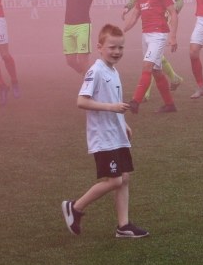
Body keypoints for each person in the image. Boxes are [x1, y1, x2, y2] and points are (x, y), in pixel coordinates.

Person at [61, 23, 149, 239]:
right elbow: (81, 101)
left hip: (115, 134)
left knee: (124, 178)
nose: (117, 52)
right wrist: (112, 109)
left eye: (120, 48)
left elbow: (113, 100)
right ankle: (75, 207)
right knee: (114, 180)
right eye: (112, 47)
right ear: (99, 47)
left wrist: (123, 123)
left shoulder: (112, 70)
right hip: (103, 137)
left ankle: (123, 226)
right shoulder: (96, 71)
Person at [122, 0, 184, 94]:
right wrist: (127, 7)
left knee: (149, 62)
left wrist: (171, 13)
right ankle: (173, 79)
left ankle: (145, 92)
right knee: (154, 61)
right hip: (147, 24)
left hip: (161, 23)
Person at [29, 0, 97, 74]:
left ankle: (89, 87)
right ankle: (90, 78)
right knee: (70, 61)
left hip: (83, 26)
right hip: (68, 26)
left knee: (82, 59)